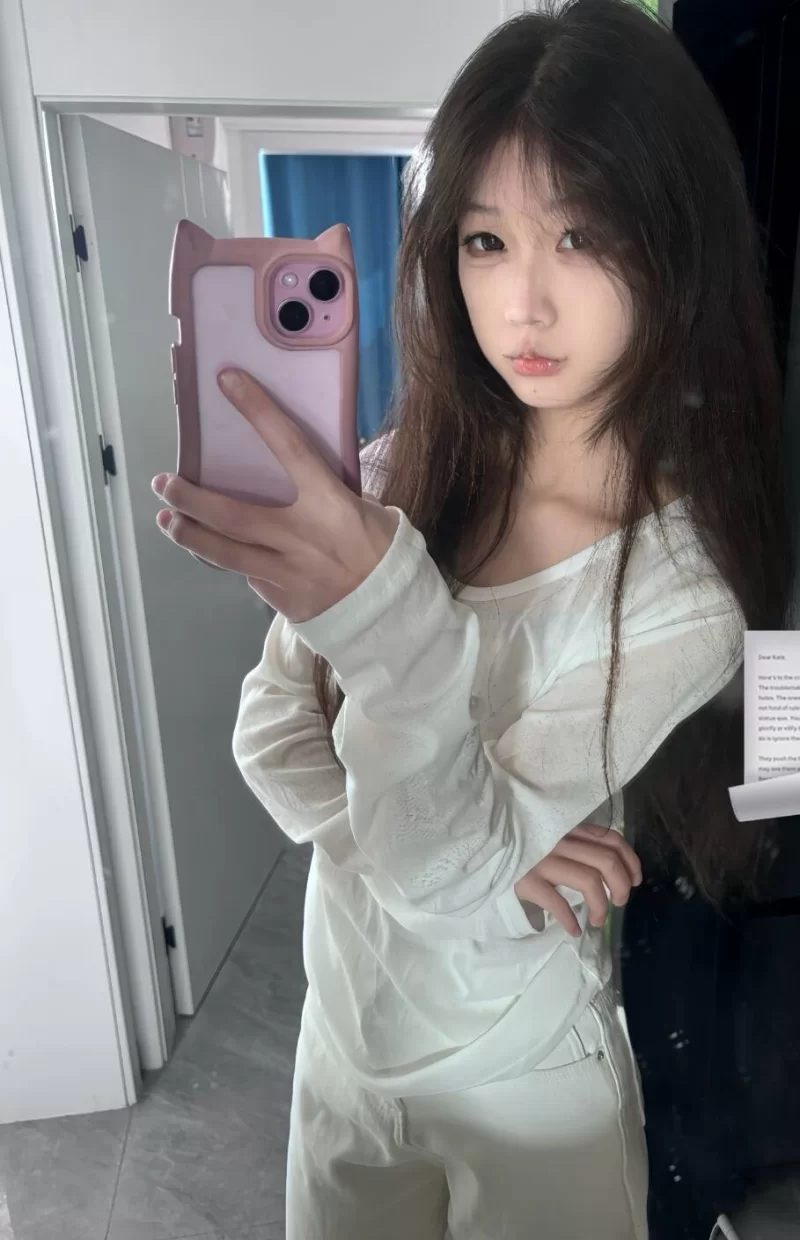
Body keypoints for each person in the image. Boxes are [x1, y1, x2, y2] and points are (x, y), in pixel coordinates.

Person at [151, 1, 795, 1236]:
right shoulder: (397, 474)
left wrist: (383, 629)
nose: (524, 304)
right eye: (485, 241)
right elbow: (267, 733)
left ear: (677, 247)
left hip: (524, 1081)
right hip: (344, 1052)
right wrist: (494, 855)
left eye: (580, 236)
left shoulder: (680, 589)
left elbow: (430, 872)